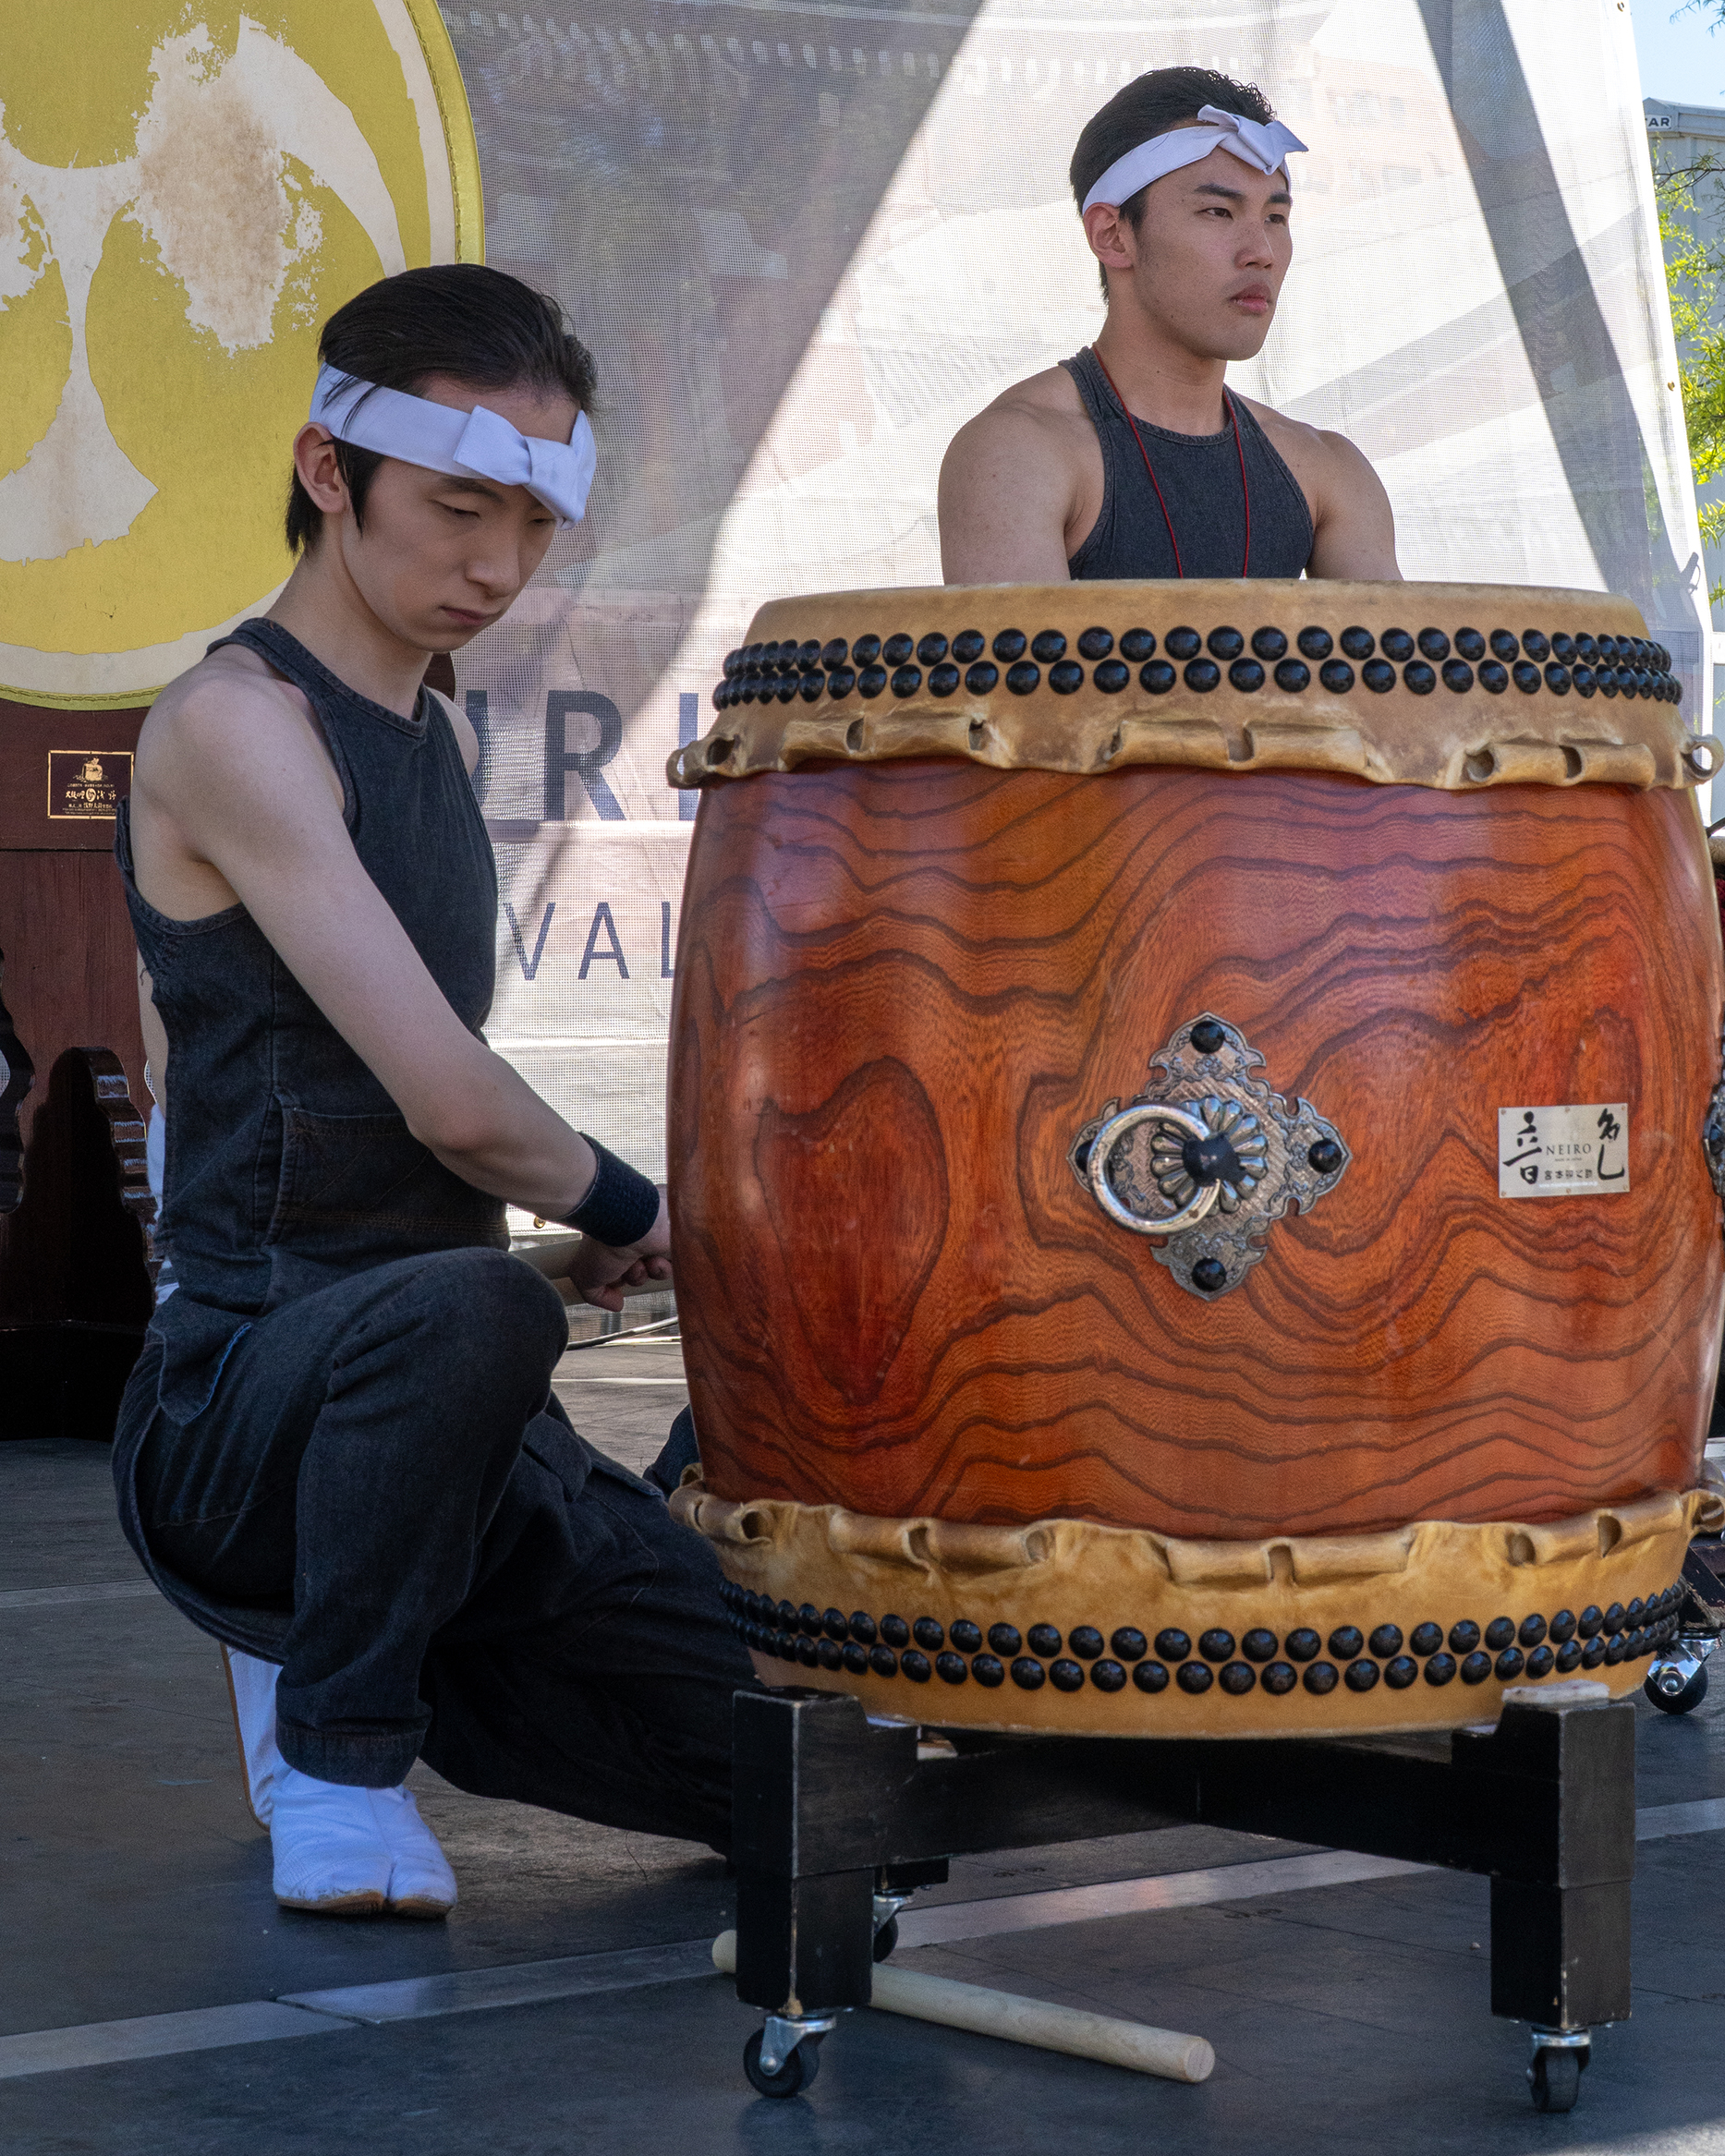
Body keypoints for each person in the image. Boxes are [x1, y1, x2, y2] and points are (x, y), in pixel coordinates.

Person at [115, 263, 753, 1920]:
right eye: (459, 509)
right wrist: (638, 1212)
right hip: (244, 1408)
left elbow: (414, 1143)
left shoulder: (440, 735)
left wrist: (574, 1247)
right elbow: (449, 1105)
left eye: (533, 524)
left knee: (798, 1770)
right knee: (471, 1308)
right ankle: (338, 1751)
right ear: (330, 470)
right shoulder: (233, 724)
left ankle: (418, 1641)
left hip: (458, 1424)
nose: (497, 565)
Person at [939, 67, 1401, 584]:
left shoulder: (1327, 468)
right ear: (1112, 235)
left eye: (1275, 218)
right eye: (1218, 212)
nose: (1262, 253)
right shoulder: (1019, 453)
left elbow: (1389, 638)